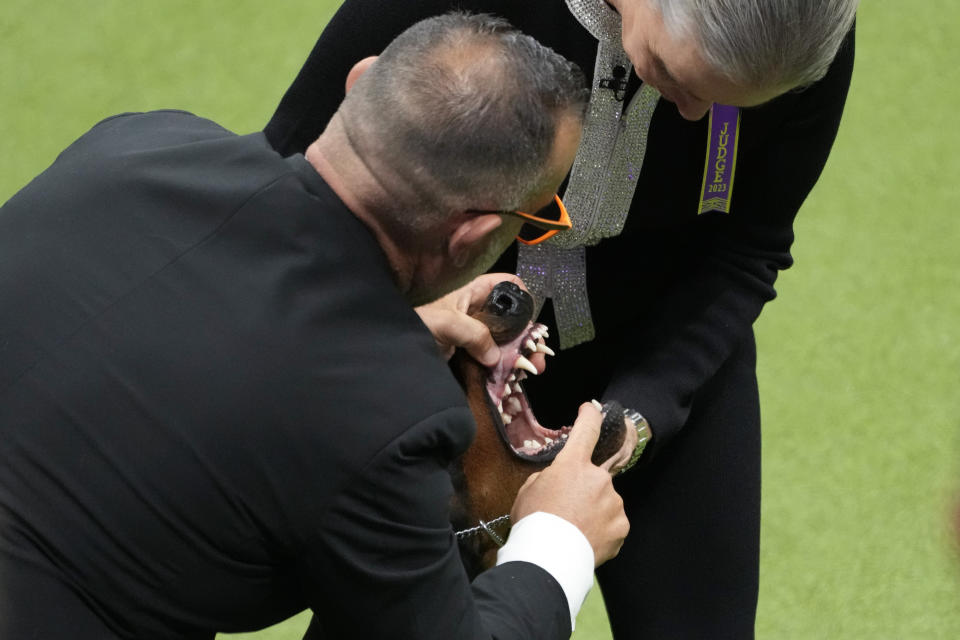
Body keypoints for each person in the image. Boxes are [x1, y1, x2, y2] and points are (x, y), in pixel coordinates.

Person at [0, 14, 628, 639]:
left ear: (359, 83)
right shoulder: (382, 416)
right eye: (540, 214)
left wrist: (379, 337)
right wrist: (558, 540)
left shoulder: (136, 143)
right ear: (474, 233)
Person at [263, 0, 859, 637]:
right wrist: (398, 323)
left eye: (732, 106)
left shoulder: (802, 34)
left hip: (670, 364)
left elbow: (747, 248)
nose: (693, 114)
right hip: (444, 364)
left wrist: (642, 413)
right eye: (681, 81)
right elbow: (286, 191)